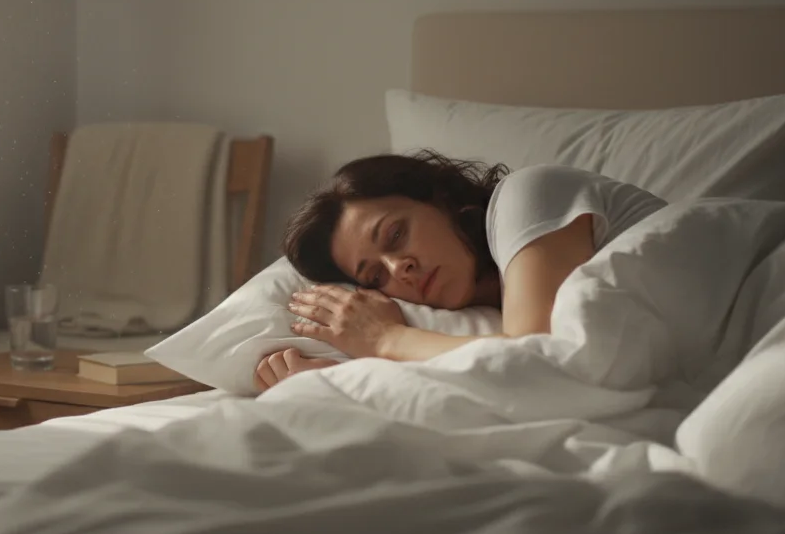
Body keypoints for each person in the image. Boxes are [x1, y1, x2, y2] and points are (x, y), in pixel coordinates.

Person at [254, 151, 667, 391]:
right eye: (376, 277)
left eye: (396, 234)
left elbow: (537, 363)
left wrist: (385, 338)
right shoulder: (491, 307)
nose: (400, 268)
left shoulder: (529, 194)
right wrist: (350, 379)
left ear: (441, 199)